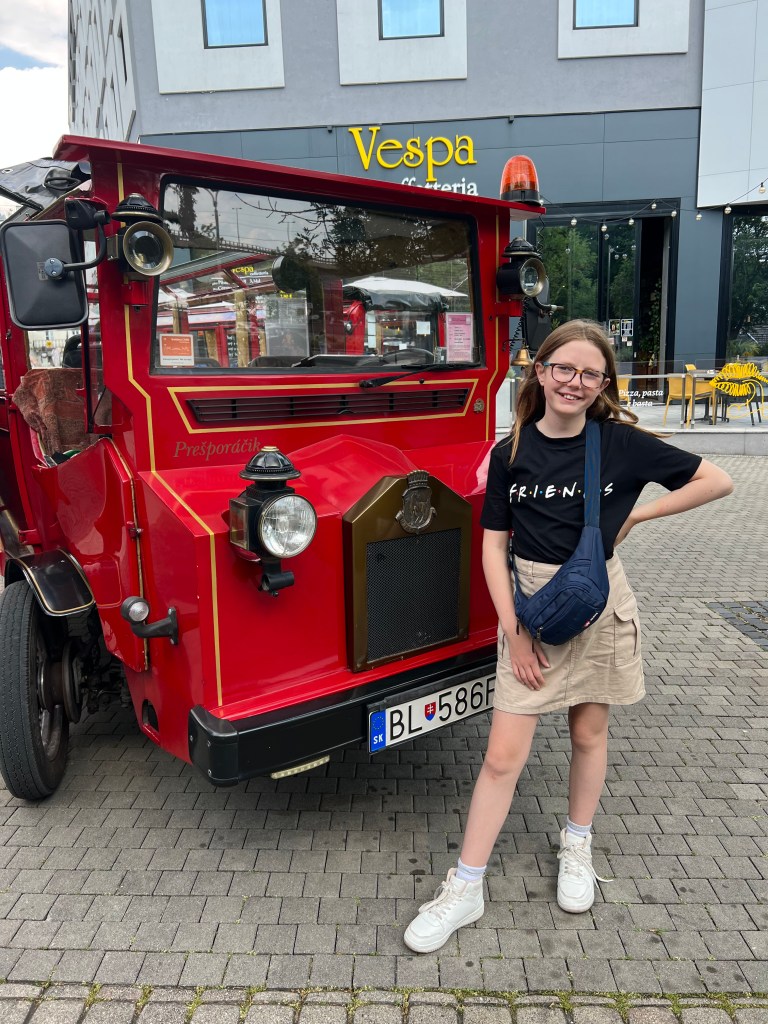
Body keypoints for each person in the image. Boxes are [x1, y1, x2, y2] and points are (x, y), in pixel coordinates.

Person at [404, 319, 733, 954]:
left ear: (604, 383)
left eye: (590, 374)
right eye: (563, 368)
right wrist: (514, 633)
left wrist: (636, 515)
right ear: (540, 370)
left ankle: (577, 845)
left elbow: (716, 480)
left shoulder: (620, 444)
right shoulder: (511, 452)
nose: (574, 382)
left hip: (599, 602)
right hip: (529, 607)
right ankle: (465, 886)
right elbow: (492, 546)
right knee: (502, 756)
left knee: (589, 734)